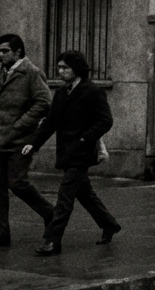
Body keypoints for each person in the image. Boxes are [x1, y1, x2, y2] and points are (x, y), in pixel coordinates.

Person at [23, 50, 120, 257]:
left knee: (64, 197)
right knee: (85, 194)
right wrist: (34, 143)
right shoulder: (60, 93)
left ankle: (52, 240)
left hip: (82, 152)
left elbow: (105, 121)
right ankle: (109, 224)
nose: (60, 71)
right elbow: (50, 122)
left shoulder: (93, 91)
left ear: (77, 69)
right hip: (66, 151)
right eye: (59, 67)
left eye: (65, 68)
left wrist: (86, 138)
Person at [0, 34, 56, 248]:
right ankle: (0, 234)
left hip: (19, 141)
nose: (0, 55)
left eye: (5, 51)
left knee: (17, 183)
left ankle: (51, 214)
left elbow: (44, 103)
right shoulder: (0, 73)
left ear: (18, 52)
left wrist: (20, 125)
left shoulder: (31, 73)